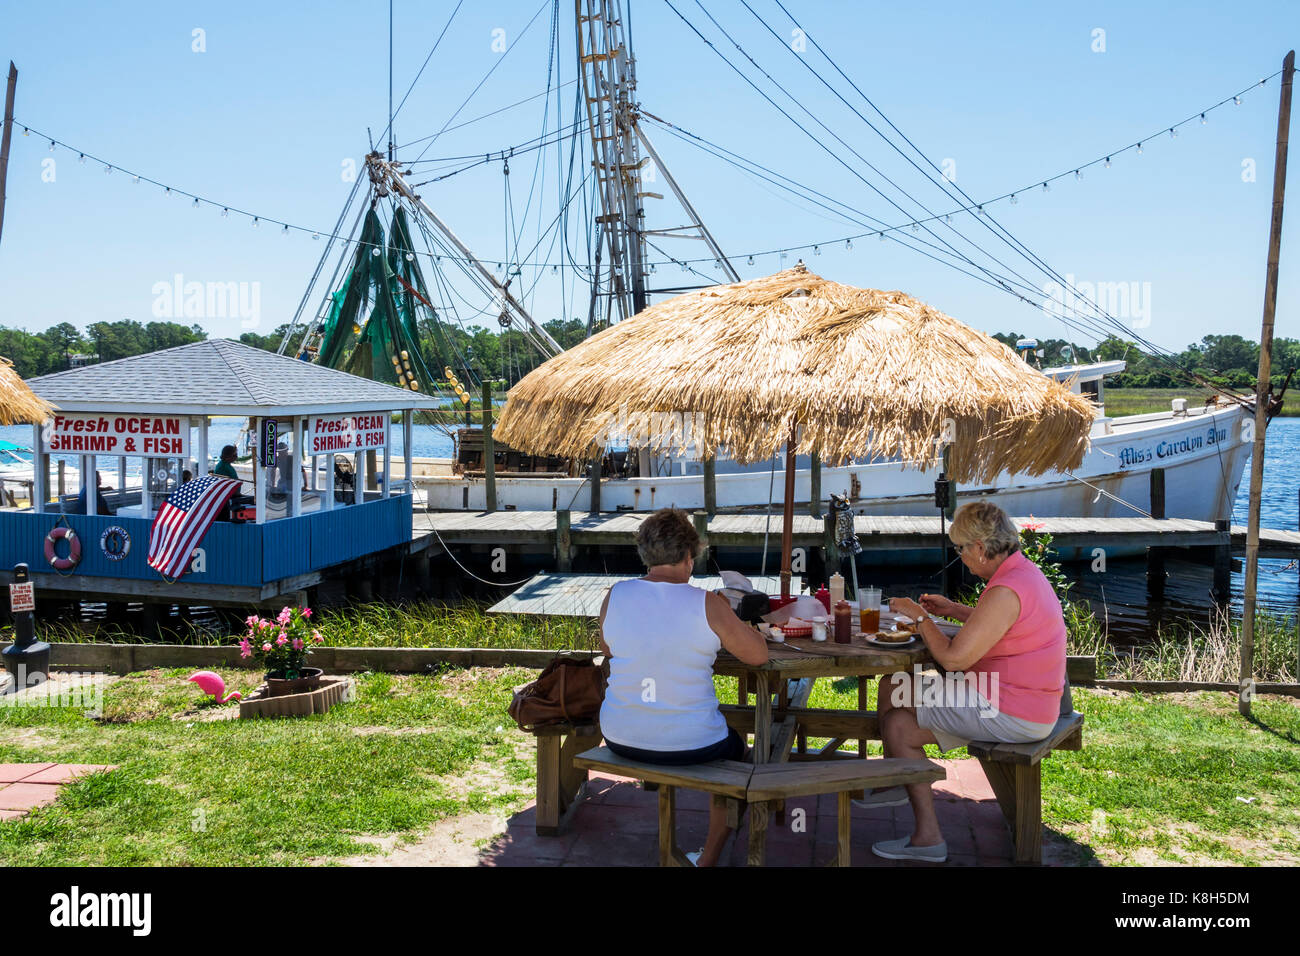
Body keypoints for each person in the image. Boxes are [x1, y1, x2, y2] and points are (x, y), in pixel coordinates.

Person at [867, 500, 1065, 863]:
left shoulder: (1006, 589)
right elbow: (1002, 623)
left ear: (980, 547)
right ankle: (898, 781)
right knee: (897, 710)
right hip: (1022, 702)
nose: (961, 556)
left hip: (1010, 709)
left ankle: (908, 800)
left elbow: (954, 660)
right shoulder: (1022, 574)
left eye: (961, 548)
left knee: (894, 693)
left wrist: (920, 616)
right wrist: (956, 610)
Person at [598, 507, 768, 867]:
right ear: (690, 556)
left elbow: (608, 650)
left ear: (645, 553)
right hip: (694, 744)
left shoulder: (615, 596)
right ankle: (708, 858)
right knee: (739, 748)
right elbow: (757, 656)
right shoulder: (708, 603)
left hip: (620, 735)